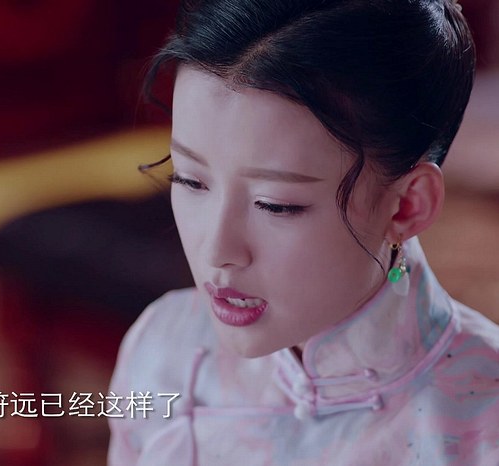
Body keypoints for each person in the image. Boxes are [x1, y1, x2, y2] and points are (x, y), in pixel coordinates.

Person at [107, 0, 499, 464]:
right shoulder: (164, 343)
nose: (217, 251)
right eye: (190, 180)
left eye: (276, 204)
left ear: (407, 205)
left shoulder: (483, 420)